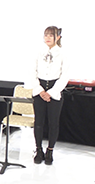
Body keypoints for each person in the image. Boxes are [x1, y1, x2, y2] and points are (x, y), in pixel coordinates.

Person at [28, 26, 69, 165]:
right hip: (39, 89)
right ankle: (38, 150)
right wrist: (40, 90)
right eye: (46, 35)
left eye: (51, 35)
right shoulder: (38, 52)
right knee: (38, 122)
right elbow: (32, 72)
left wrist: (51, 92)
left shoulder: (63, 54)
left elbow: (65, 76)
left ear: (58, 37)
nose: (48, 38)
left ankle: (50, 150)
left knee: (53, 123)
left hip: (55, 90)